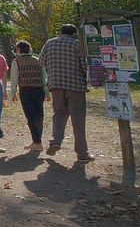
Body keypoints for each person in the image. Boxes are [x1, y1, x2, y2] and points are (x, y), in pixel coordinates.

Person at [40, 24, 95, 162]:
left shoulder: (50, 43)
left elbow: (41, 61)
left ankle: (55, 141)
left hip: (56, 84)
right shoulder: (77, 44)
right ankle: (82, 153)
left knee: (59, 114)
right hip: (75, 86)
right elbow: (84, 64)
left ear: (61, 32)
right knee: (78, 119)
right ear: (74, 33)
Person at [9, 40, 46, 151]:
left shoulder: (16, 61)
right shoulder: (38, 60)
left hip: (26, 90)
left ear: (18, 50)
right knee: (39, 115)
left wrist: (13, 93)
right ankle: (37, 140)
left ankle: (37, 142)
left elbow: (14, 78)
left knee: (30, 116)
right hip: (39, 90)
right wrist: (47, 92)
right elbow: (44, 77)